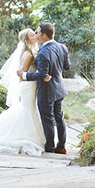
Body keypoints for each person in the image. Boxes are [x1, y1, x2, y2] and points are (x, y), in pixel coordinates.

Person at [17, 22, 71, 154]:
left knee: (47, 119)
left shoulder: (42, 53)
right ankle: (61, 145)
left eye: (38, 32)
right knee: (59, 117)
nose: (37, 34)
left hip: (47, 91)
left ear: (44, 35)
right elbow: (67, 67)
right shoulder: (62, 47)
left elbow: (42, 75)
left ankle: (50, 148)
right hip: (59, 89)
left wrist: (24, 75)